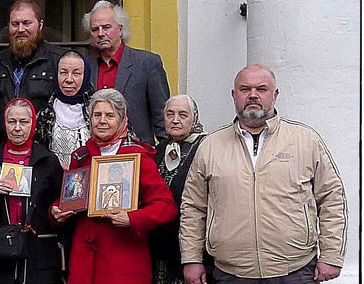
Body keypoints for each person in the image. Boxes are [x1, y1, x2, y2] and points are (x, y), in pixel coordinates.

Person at [179, 65, 348, 284]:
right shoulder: (211, 145)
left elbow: (332, 198)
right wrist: (191, 258)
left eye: (261, 89)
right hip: (231, 274)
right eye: (244, 89)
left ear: (275, 94)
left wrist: (332, 255)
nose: (253, 95)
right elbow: (193, 206)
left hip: (295, 272)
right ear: (234, 95)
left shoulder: (305, 140)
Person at [50, 88, 177, 284]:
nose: (102, 121)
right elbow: (71, 197)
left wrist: (132, 219)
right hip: (84, 266)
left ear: (122, 119)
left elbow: (166, 206)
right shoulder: (81, 156)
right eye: (97, 115)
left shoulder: (137, 157)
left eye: (110, 115)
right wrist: (56, 212)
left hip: (123, 263)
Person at [0, 98, 64, 284]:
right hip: (0, 251)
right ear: (4, 124)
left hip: (38, 251)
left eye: (23, 122)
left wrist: (55, 210)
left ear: (33, 124)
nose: (17, 128)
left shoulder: (47, 160)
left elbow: (59, 199)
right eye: (11, 121)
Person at [83, 0, 170, 145]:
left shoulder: (147, 63)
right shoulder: (84, 66)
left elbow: (162, 117)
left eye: (106, 27)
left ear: (120, 29)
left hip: (136, 153)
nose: (100, 33)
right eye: (95, 29)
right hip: (94, 153)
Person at [0, 0, 65, 146]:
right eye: (15, 24)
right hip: (3, 150)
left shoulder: (59, 60)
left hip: (44, 150)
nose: (20, 29)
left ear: (40, 25)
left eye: (27, 23)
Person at [146, 95, 209, 284]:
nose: (175, 120)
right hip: (160, 241)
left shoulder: (206, 148)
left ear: (194, 118)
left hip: (191, 242)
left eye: (183, 115)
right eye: (170, 114)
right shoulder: (158, 150)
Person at [35, 50, 93, 169]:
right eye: (63, 73)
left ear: (86, 76)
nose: (69, 79)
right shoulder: (44, 115)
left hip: (92, 181)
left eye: (76, 73)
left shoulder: (98, 111)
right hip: (54, 183)